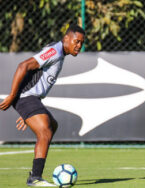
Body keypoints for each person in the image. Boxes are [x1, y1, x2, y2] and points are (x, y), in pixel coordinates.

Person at [0, 25, 85, 187]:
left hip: (31, 99)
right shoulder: (55, 51)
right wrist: (12, 96)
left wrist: (29, 114)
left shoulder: (60, 53)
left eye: (81, 43)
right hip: (25, 96)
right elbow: (23, 66)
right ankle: (35, 177)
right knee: (45, 129)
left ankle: (34, 174)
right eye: (76, 41)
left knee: (52, 125)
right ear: (66, 38)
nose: (79, 46)